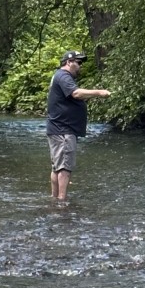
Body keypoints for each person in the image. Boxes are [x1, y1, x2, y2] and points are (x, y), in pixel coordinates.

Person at [46, 49, 111, 202]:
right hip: (63, 130)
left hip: (58, 129)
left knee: (57, 166)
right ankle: (62, 201)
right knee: (64, 167)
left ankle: (55, 199)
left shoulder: (60, 76)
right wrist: (99, 93)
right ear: (69, 62)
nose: (80, 66)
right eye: (79, 62)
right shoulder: (63, 76)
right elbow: (76, 94)